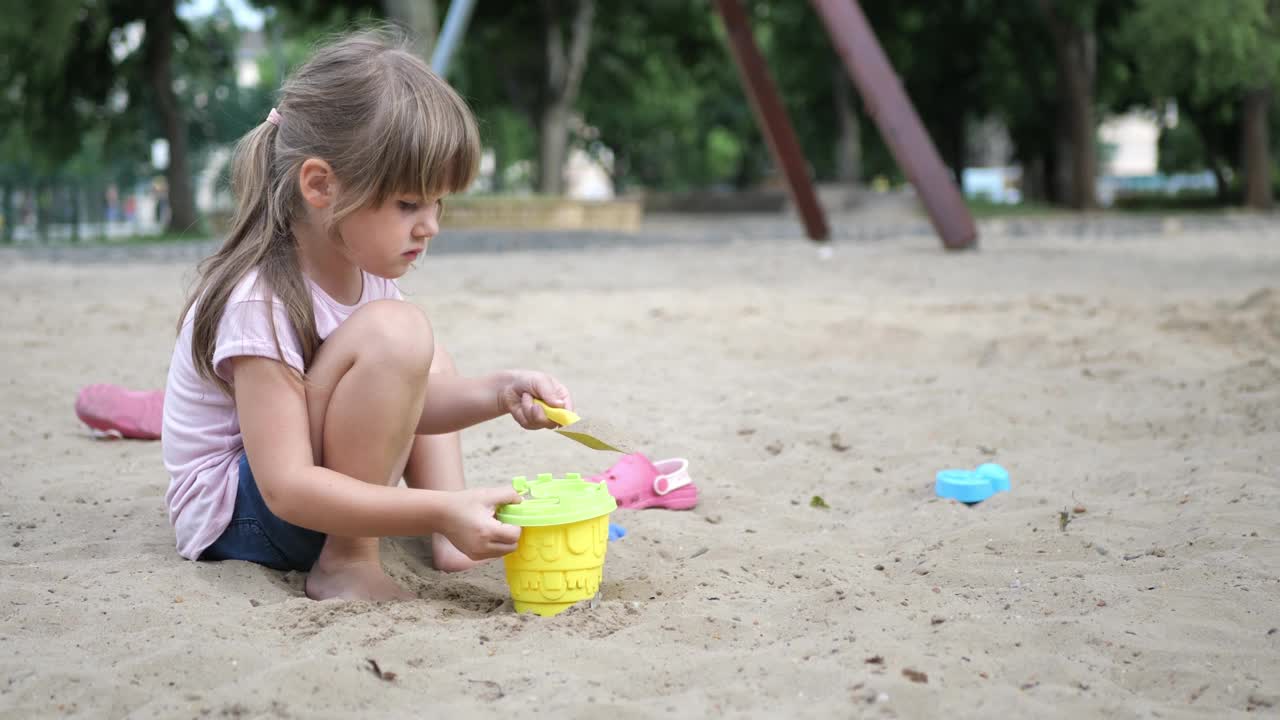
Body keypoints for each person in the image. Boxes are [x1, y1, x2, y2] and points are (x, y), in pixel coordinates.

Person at [161, 28, 572, 602]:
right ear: (321, 185)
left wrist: (501, 393)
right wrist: (434, 506)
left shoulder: (365, 267)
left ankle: (449, 538)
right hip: (246, 517)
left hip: (301, 492)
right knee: (400, 337)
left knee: (422, 352)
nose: (429, 226)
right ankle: (349, 561)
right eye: (408, 204)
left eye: (436, 203)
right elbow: (285, 487)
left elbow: (401, 405)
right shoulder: (262, 297)